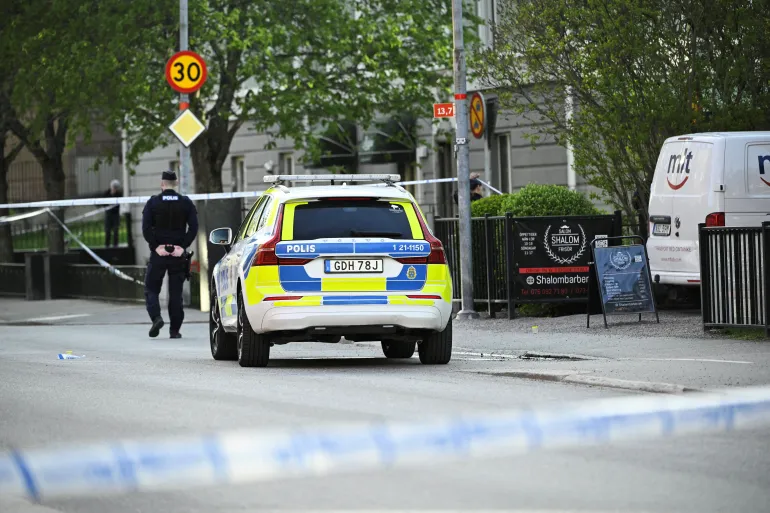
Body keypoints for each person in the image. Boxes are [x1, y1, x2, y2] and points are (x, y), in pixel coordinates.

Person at [141, 170, 198, 339]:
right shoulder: (186, 203)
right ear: (176, 183)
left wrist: (156, 246)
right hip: (178, 255)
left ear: (162, 184)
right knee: (176, 293)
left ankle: (156, 318)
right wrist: (182, 246)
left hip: (159, 254)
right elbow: (193, 228)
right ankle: (174, 330)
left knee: (151, 289)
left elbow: (145, 228)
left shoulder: (153, 203)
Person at [104, 180, 122, 247]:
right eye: (113, 187)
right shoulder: (106, 193)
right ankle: (107, 245)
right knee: (107, 230)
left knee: (115, 230)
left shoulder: (119, 194)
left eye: (115, 188)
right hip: (108, 214)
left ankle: (115, 245)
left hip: (115, 215)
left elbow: (118, 204)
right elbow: (104, 203)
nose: (114, 189)